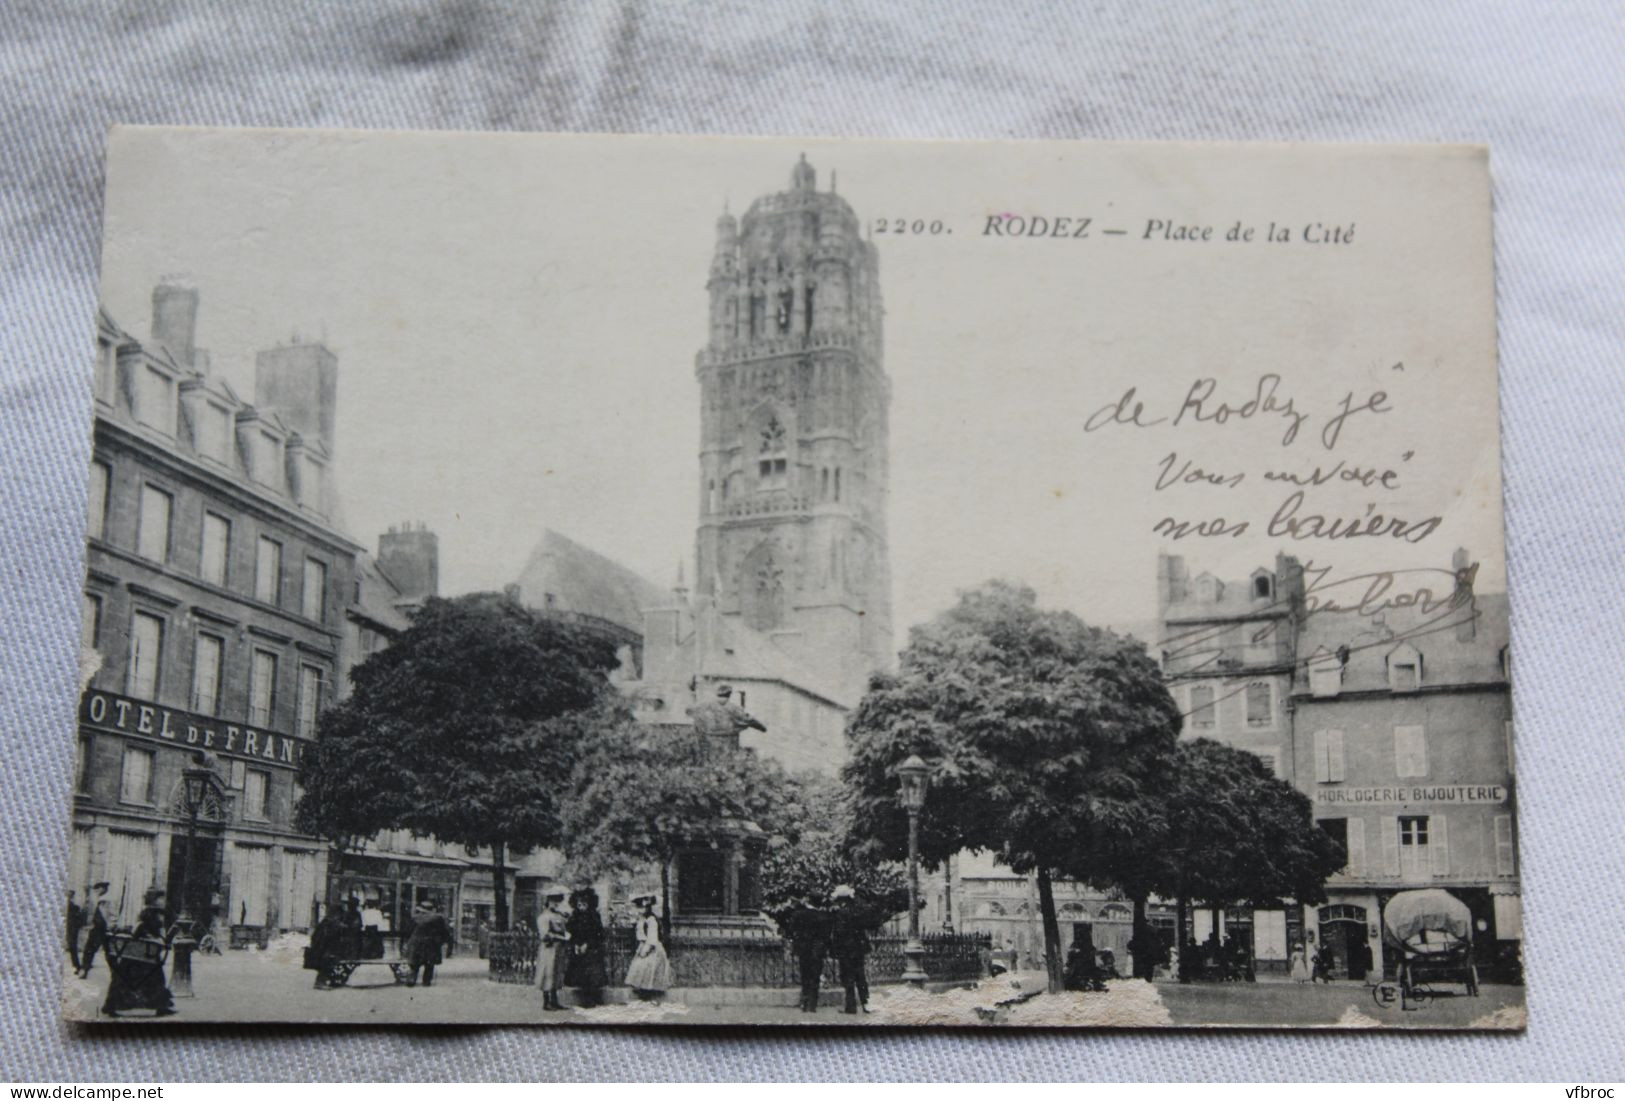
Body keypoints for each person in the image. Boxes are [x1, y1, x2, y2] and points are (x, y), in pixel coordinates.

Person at [102, 888, 175, 1018]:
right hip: (142, 953)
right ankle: (160, 1006)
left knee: (130, 980)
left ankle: (160, 1006)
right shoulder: (149, 914)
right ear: (154, 900)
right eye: (160, 898)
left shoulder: (153, 913)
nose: (162, 901)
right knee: (152, 979)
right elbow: (141, 931)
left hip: (141, 953)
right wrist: (154, 939)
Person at [829, 884, 872, 1014]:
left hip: (846, 950)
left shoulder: (841, 913)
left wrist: (835, 948)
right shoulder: (857, 911)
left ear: (842, 900)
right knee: (860, 976)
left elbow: (839, 933)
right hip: (858, 949)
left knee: (848, 977)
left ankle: (850, 1006)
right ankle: (866, 1004)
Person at [564, 887, 608, 1008]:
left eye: (584, 903)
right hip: (578, 948)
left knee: (592, 974)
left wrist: (587, 944)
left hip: (592, 948)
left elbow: (598, 933)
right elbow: (571, 931)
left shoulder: (594, 916)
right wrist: (575, 945)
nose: (581, 906)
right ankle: (585, 999)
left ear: (589, 903)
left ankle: (593, 998)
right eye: (578, 904)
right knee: (581, 974)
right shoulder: (574, 916)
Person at [623, 894, 672, 1000]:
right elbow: (640, 935)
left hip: (653, 949)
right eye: (638, 908)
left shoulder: (651, 920)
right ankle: (642, 992)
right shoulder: (642, 919)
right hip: (644, 945)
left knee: (647, 967)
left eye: (642, 908)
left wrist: (645, 950)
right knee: (639, 967)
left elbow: (652, 938)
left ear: (647, 908)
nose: (640, 910)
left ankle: (648, 993)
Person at [782, 907, 831, 1013]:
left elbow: (790, 930)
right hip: (817, 951)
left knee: (805, 976)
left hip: (804, 950)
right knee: (815, 977)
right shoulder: (823, 916)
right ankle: (812, 1004)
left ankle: (805, 1002)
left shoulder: (800, 914)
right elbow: (827, 935)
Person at [535, 887, 570, 1011]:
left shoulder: (559, 916)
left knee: (556, 973)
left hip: (559, 949)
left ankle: (555, 1001)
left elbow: (565, 928)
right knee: (547, 973)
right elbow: (545, 935)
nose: (556, 904)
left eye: (558, 901)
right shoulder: (544, 917)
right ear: (548, 902)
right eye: (554, 901)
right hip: (549, 949)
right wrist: (561, 937)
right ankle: (546, 1002)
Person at [403, 900, 453, 987]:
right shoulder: (437, 918)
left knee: (414, 964)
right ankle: (426, 981)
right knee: (429, 964)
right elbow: (443, 931)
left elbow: (408, 931)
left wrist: (407, 942)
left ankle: (411, 979)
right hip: (431, 944)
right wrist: (446, 941)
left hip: (415, 944)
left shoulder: (415, 918)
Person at [309, 906, 348, 990]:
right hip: (323, 949)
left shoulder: (326, 921)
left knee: (331, 960)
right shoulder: (330, 922)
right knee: (329, 960)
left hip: (322, 948)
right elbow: (330, 935)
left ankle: (324, 980)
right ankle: (320, 982)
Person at [77, 882, 111, 978]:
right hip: (97, 928)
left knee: (92, 950)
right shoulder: (99, 899)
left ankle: (85, 970)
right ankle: (85, 970)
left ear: (103, 889)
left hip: (102, 929)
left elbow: (108, 916)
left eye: (98, 889)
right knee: (90, 950)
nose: (96, 891)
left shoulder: (105, 901)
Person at [66, 889, 85, 974]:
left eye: (69, 896)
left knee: (72, 947)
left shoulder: (74, 907)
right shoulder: (73, 907)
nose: (68, 897)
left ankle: (77, 966)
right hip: (67, 929)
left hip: (71, 930)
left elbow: (79, 921)